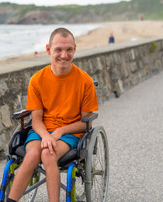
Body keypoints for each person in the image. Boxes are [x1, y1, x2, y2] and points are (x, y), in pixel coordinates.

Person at [7, 28, 98, 202]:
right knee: (33, 155)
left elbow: (86, 123)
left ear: (74, 49)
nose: (64, 55)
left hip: (70, 133)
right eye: (58, 50)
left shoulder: (85, 81)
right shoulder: (37, 80)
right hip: (41, 130)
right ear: (49, 50)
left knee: (48, 155)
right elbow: (36, 119)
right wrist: (45, 136)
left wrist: (59, 132)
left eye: (69, 50)